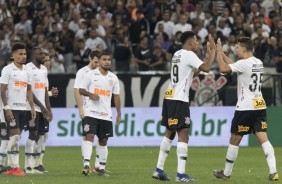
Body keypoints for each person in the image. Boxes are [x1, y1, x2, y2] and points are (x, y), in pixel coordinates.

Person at [152, 31, 216, 182]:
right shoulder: (189, 54)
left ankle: (159, 169)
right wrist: (213, 51)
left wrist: (206, 56)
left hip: (170, 96)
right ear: (190, 43)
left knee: (170, 132)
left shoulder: (177, 54)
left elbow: (191, 73)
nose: (198, 43)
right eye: (196, 41)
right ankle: (181, 174)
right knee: (183, 131)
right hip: (179, 99)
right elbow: (206, 68)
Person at [213, 37, 279, 181]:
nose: (236, 49)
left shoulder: (244, 64)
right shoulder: (258, 62)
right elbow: (235, 66)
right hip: (259, 105)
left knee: (234, 139)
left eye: (237, 47)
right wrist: (222, 53)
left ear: (243, 49)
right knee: (264, 139)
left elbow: (224, 69)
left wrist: (218, 52)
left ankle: (227, 173)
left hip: (245, 107)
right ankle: (273, 171)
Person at [79, 51, 121, 177]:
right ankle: (86, 164)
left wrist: (119, 113)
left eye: (109, 59)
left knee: (103, 140)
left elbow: (117, 96)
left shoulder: (113, 78)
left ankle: (101, 168)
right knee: (90, 136)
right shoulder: (91, 75)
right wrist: (91, 95)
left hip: (106, 114)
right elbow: (81, 89)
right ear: (99, 61)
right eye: (104, 59)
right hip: (90, 112)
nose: (107, 61)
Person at [1, 42, 36, 176]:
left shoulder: (27, 71)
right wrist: (7, 108)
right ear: (13, 55)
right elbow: (2, 90)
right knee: (15, 135)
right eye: (20, 54)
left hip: (23, 108)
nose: (23, 56)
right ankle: (15, 167)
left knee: (16, 136)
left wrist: (32, 107)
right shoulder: (7, 70)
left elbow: (28, 91)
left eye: (25, 54)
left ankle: (11, 167)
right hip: (11, 108)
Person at [24, 47, 52, 174]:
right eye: (41, 54)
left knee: (41, 135)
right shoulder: (28, 69)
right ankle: (28, 165)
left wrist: (48, 109)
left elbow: (45, 90)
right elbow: (28, 91)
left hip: (42, 109)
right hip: (31, 108)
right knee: (33, 134)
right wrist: (42, 106)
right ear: (34, 55)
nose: (44, 56)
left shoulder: (44, 70)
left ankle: (36, 165)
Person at [73, 49, 101, 175]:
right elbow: (76, 90)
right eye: (96, 61)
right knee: (86, 135)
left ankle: (97, 165)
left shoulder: (100, 72)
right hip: (87, 108)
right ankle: (86, 164)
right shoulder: (82, 72)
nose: (98, 64)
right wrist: (80, 108)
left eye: (99, 62)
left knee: (101, 137)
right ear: (90, 58)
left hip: (100, 109)